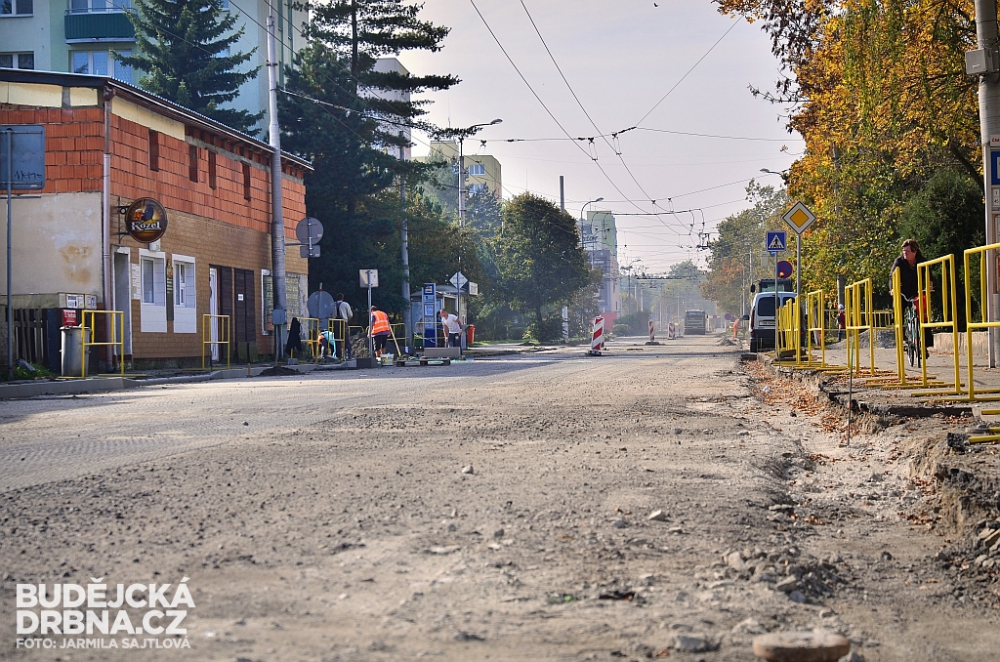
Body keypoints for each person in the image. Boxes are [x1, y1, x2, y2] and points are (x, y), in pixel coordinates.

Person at [889, 238, 933, 349]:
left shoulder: (922, 261)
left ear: (915, 252)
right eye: (903, 251)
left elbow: (929, 275)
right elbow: (891, 277)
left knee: (923, 311)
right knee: (898, 310)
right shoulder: (899, 262)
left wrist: (930, 284)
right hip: (902, 292)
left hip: (916, 291)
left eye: (907, 252)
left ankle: (925, 340)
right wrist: (893, 289)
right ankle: (901, 337)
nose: (905, 254)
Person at [332, 293, 353, 361]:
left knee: (337, 339)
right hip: (343, 322)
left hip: (335, 322)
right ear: (342, 298)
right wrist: (347, 319)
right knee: (346, 338)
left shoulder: (333, 305)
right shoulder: (345, 304)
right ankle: (348, 354)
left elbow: (331, 314)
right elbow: (350, 314)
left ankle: (339, 356)